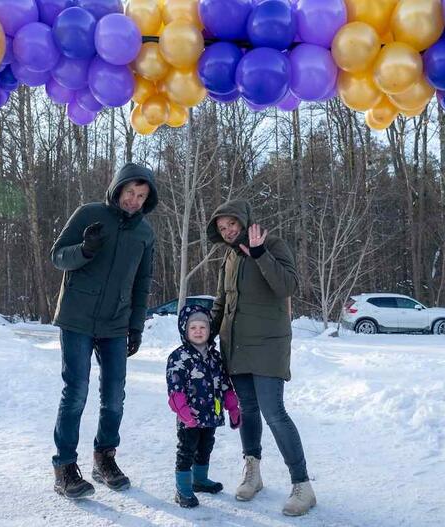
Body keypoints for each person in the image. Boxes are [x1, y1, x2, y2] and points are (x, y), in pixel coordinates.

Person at [49, 162, 158, 499]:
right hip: (77, 317)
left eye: (141, 196)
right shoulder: (89, 214)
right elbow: (58, 257)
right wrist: (85, 250)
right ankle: (65, 467)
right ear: (118, 188)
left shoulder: (145, 234)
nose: (134, 200)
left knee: (114, 396)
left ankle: (104, 458)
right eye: (130, 192)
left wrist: (136, 326)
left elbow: (142, 283)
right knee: (76, 391)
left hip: (115, 323)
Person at [207, 199, 317, 516]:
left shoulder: (273, 244)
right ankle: (252, 472)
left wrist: (260, 255)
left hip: (268, 345)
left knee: (274, 412)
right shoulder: (228, 257)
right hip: (236, 346)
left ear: (244, 221)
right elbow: (222, 300)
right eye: (222, 228)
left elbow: (287, 286)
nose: (228, 231)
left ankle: (303, 486)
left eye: (231, 224)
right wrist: (206, 334)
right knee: (247, 410)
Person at [166, 304, 241, 508]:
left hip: (211, 414)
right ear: (185, 330)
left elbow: (225, 384)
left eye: (203, 327)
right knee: (186, 450)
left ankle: (199, 480)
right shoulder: (179, 357)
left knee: (205, 447)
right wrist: (183, 412)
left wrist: (233, 407)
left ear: (209, 330)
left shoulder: (215, 357)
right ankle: (182, 490)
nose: (198, 331)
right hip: (189, 417)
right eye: (193, 327)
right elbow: (175, 389)